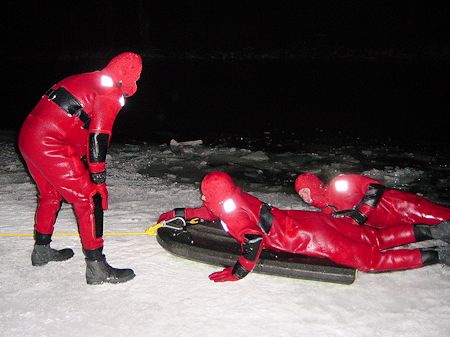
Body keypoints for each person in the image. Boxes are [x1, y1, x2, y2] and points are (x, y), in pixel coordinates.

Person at [157, 172, 450, 283]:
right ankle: (430, 232)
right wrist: (178, 212)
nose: (203, 197)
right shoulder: (234, 197)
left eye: (206, 193)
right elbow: (209, 210)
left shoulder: (233, 214)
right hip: (311, 221)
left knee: (371, 259)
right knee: (370, 238)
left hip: (310, 237)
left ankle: (438, 255)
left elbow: (253, 242)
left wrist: (238, 272)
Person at [18, 52, 142, 285]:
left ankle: (41, 250)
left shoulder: (89, 79)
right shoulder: (110, 92)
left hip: (28, 138)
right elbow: (98, 136)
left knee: (50, 194)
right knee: (89, 198)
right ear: (129, 77)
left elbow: (76, 119)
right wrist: (98, 178)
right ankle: (97, 267)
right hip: (50, 143)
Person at [294, 173, 450, 229]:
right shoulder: (328, 212)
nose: (306, 197)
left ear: (314, 185)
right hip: (394, 224)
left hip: (400, 205)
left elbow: (375, 187)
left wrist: (361, 215)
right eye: (302, 196)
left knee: (442, 216)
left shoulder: (339, 184)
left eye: (306, 191)